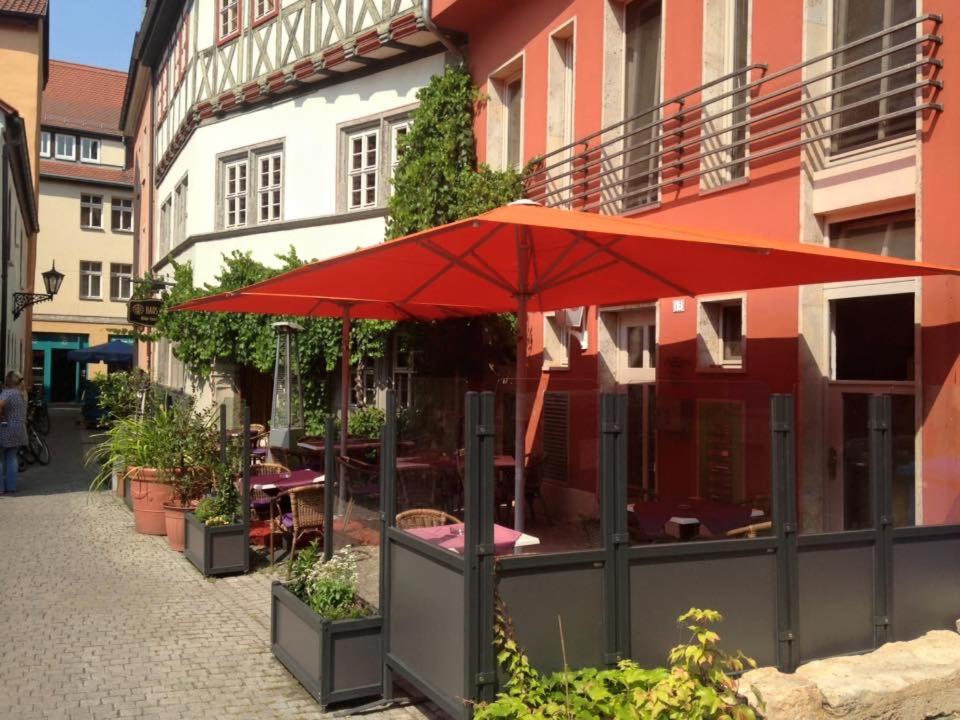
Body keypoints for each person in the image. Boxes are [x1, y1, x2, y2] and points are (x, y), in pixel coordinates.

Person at [0, 371, 28, 495]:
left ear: (9, 380)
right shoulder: (22, 393)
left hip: (6, 429)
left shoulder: (7, 393)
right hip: (19, 430)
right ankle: (11, 487)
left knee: (1, 459)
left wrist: (2, 416)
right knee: (11, 457)